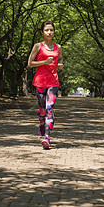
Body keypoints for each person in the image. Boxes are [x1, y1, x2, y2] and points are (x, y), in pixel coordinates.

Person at [27, 21, 64, 149]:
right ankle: (41, 123)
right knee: (42, 110)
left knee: (49, 109)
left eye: (51, 30)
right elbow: (30, 63)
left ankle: (47, 138)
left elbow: (60, 58)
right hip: (40, 82)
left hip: (53, 81)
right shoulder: (38, 46)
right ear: (42, 32)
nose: (49, 32)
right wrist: (44, 62)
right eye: (47, 30)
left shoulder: (58, 47)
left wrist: (60, 64)